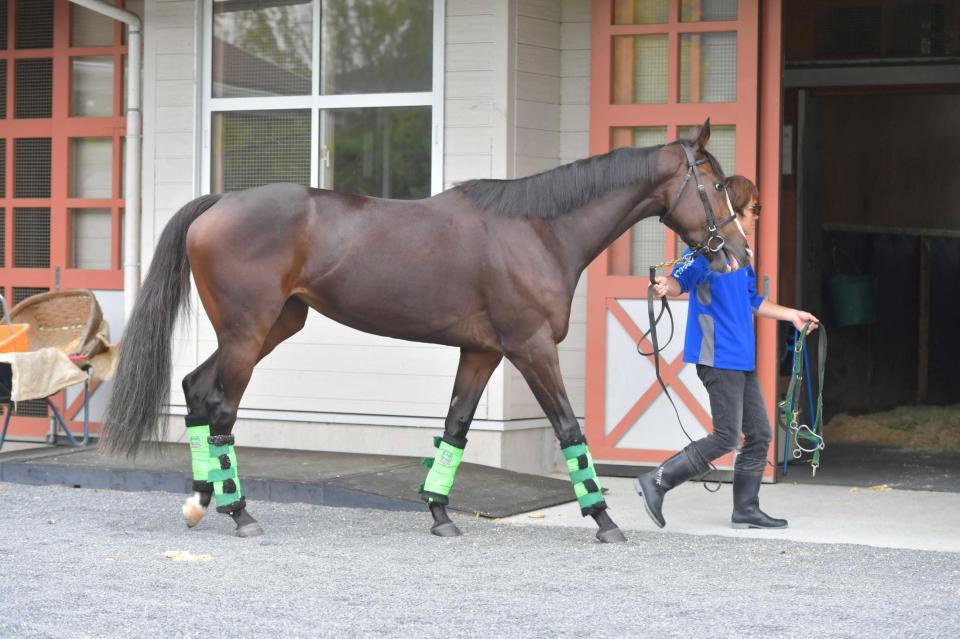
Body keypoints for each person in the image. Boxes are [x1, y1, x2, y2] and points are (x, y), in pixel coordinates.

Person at [635, 175, 819, 530]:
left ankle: (745, 509)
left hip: (740, 359)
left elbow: (752, 300)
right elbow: (679, 280)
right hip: (717, 358)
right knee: (726, 436)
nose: (758, 215)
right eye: (754, 208)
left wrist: (792, 315)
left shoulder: (743, 253)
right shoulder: (704, 251)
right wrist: (665, 286)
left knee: (760, 434)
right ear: (734, 212)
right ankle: (657, 481)